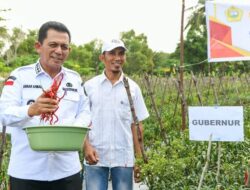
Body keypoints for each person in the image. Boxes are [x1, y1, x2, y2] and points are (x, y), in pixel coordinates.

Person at [0, 21, 91, 190]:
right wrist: (30, 110)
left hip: (67, 172)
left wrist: (71, 133)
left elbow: (85, 112)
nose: (59, 51)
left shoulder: (75, 79)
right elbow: (3, 114)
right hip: (26, 173)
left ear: (69, 50)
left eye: (64, 46)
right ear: (38, 46)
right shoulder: (19, 76)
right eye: (53, 45)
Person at [83, 39, 149, 190]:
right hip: (96, 156)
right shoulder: (90, 86)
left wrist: (139, 158)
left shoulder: (133, 88)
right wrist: (86, 146)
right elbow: (82, 121)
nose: (117, 58)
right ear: (102, 57)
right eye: (112, 53)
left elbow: (137, 126)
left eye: (121, 53)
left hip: (123, 157)